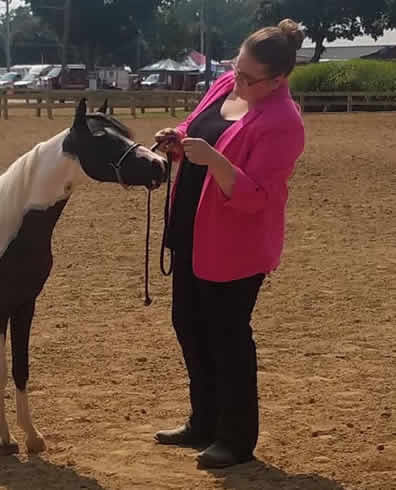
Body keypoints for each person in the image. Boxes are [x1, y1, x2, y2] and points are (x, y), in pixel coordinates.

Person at [152, 19, 306, 469]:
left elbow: (257, 196)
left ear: (278, 79)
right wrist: (177, 138)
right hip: (190, 230)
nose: (237, 80)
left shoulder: (283, 122)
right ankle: (203, 421)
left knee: (228, 337)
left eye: (248, 77)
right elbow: (196, 124)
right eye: (235, 69)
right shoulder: (224, 84)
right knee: (189, 326)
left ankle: (236, 439)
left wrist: (216, 161)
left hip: (236, 245)